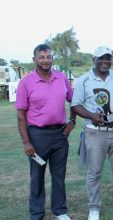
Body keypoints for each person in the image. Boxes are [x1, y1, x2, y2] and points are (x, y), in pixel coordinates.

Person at [71, 46, 113, 220]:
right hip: (94, 133)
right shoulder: (84, 80)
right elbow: (75, 105)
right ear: (94, 60)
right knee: (94, 173)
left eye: (108, 58)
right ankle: (94, 208)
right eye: (102, 58)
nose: (105, 61)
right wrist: (91, 115)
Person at [15, 44, 76, 220]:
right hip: (37, 135)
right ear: (34, 60)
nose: (45, 60)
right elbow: (21, 116)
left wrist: (72, 121)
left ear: (52, 59)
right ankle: (36, 213)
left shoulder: (61, 77)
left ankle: (60, 210)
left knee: (59, 174)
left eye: (48, 57)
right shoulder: (26, 82)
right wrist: (26, 142)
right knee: (37, 176)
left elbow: (74, 101)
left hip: (60, 134)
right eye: (41, 57)